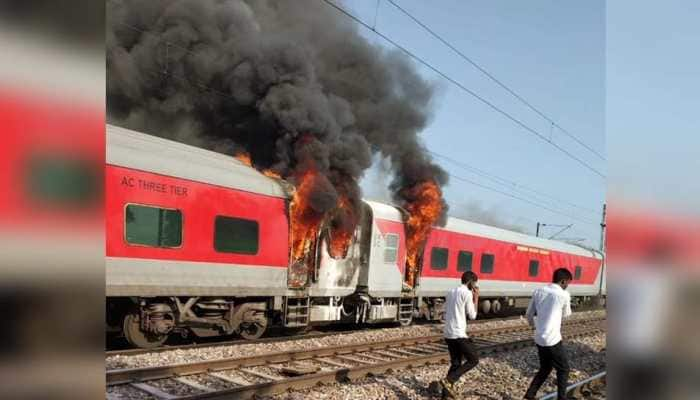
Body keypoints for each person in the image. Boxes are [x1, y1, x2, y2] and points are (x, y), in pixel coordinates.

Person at [523, 268, 574, 400]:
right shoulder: (564, 294)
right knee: (564, 369)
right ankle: (561, 398)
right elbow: (567, 315)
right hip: (553, 339)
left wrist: (535, 326)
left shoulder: (538, 291)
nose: (567, 285)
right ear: (563, 281)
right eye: (568, 283)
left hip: (539, 338)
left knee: (545, 368)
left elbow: (529, 314)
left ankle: (530, 394)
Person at [440, 271, 480, 399]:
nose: (474, 286)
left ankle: (445, 395)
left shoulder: (451, 292)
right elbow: (473, 316)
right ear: (470, 282)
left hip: (448, 333)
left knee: (456, 363)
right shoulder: (467, 293)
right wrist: (476, 298)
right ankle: (449, 380)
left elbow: (444, 312)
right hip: (458, 333)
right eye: (474, 284)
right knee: (473, 360)